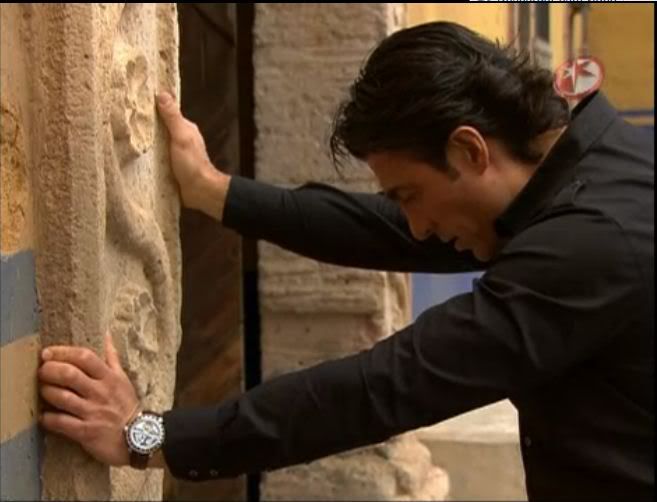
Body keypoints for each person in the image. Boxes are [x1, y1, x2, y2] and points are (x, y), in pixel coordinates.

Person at [37, 21, 653, 500]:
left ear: (469, 149)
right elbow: (389, 230)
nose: (417, 227)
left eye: (409, 194)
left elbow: (388, 386)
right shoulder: (586, 170)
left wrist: (146, 435)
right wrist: (215, 192)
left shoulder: (593, 243)